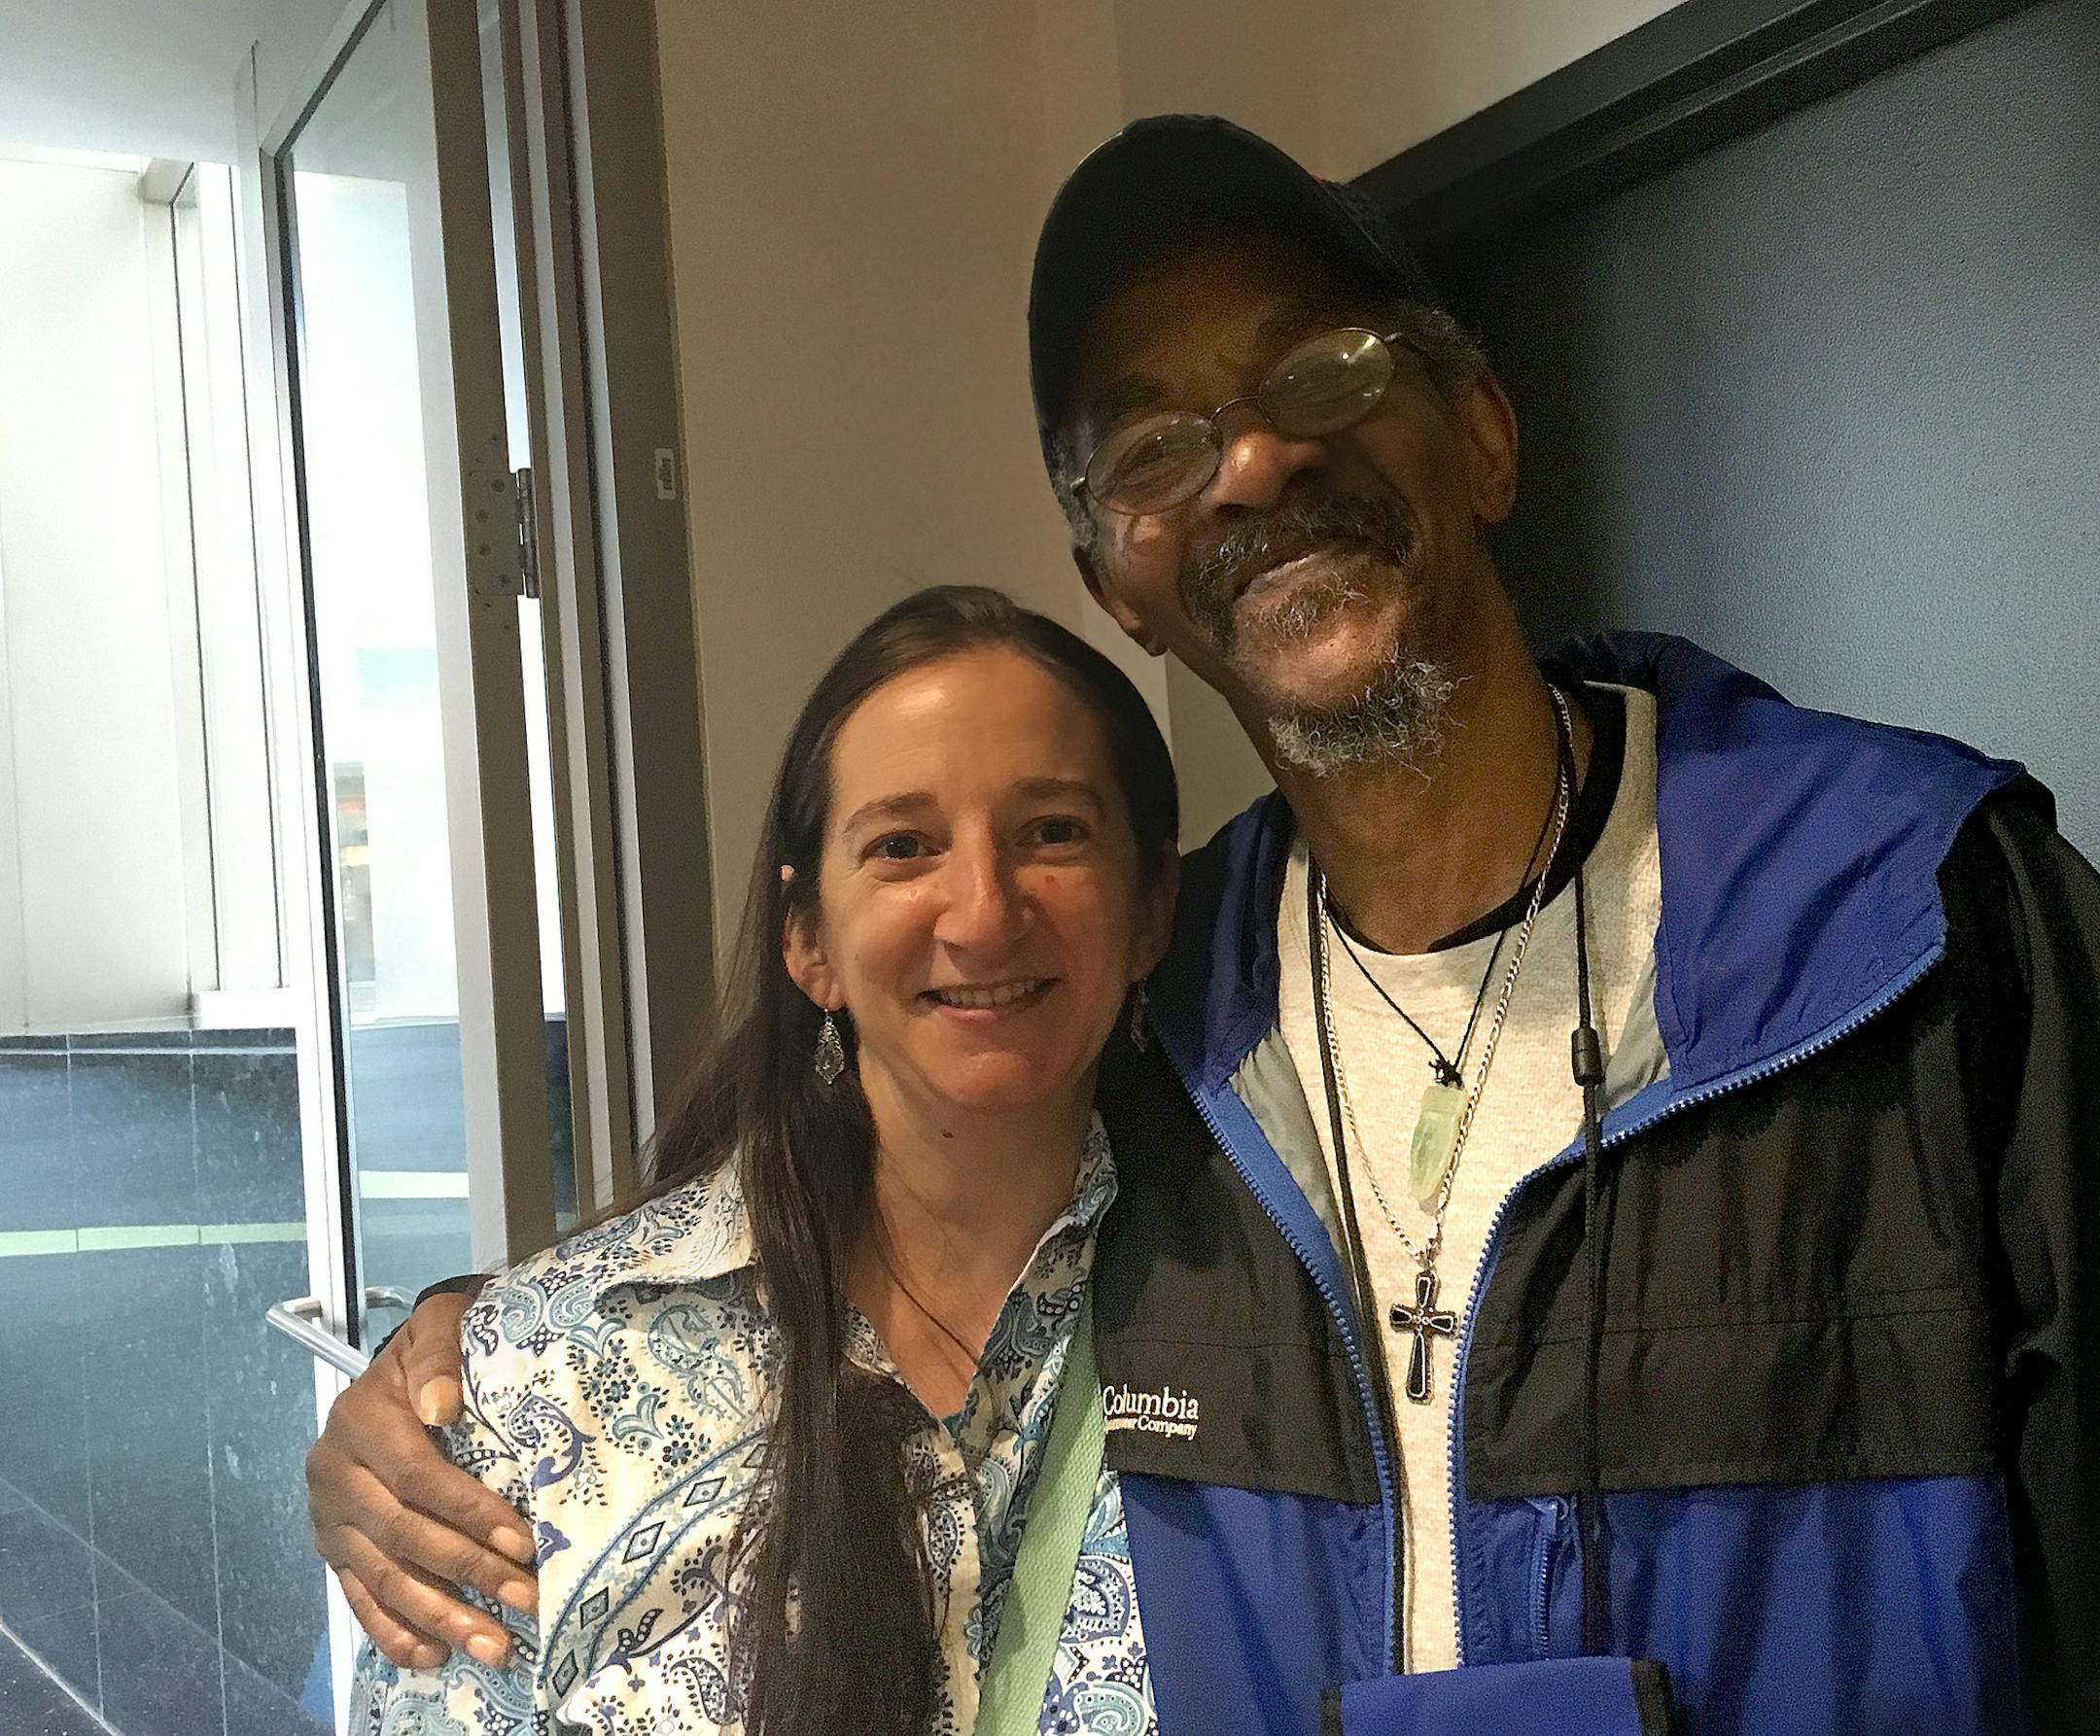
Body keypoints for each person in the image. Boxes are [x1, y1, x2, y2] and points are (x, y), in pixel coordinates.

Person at [311, 118, 2099, 1735]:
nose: (1248, 463)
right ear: (1122, 580)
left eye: (1319, 369)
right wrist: (465, 1351)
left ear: (1482, 430)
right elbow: (879, 1209)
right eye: (1155, 446)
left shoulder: (1911, 926)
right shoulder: (1172, 1021)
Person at [343, 585, 1180, 1734]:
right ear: (807, 939)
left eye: (1052, 832)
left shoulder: (1284, 1313)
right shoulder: (546, 1373)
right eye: (903, 845)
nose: (983, 913)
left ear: (1151, 904)